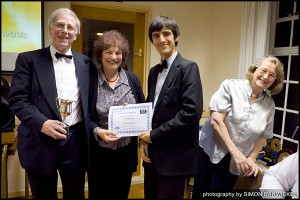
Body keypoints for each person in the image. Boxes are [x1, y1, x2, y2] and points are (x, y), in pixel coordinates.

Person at [8, 8, 95, 200]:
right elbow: (17, 99)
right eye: (60, 25)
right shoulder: (28, 59)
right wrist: (42, 123)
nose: (65, 30)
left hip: (75, 142)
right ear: (50, 29)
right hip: (40, 141)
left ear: (76, 34)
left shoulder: (86, 63)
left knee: (75, 195)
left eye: (70, 27)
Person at [192, 55, 285, 198]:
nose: (266, 76)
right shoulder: (230, 86)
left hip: (237, 164)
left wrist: (252, 158)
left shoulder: (269, 104)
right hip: (212, 154)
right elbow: (216, 121)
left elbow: (263, 136)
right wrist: (237, 154)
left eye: (272, 75)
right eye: (263, 70)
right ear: (254, 70)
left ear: (275, 81)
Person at [138, 15, 203, 199]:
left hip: (175, 157)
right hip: (152, 156)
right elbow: (151, 110)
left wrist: (153, 135)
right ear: (151, 40)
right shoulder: (153, 72)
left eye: (166, 33)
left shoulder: (189, 68)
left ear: (176, 36)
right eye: (156, 35)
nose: (161, 39)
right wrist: (143, 140)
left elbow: (191, 113)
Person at [88, 30, 145, 200]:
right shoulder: (91, 81)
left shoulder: (132, 80)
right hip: (99, 153)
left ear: (123, 55)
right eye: (109, 52)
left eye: (118, 53)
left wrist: (133, 111)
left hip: (125, 153)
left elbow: (143, 113)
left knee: (120, 195)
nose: (114, 57)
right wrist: (98, 131)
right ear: (100, 55)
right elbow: (86, 116)